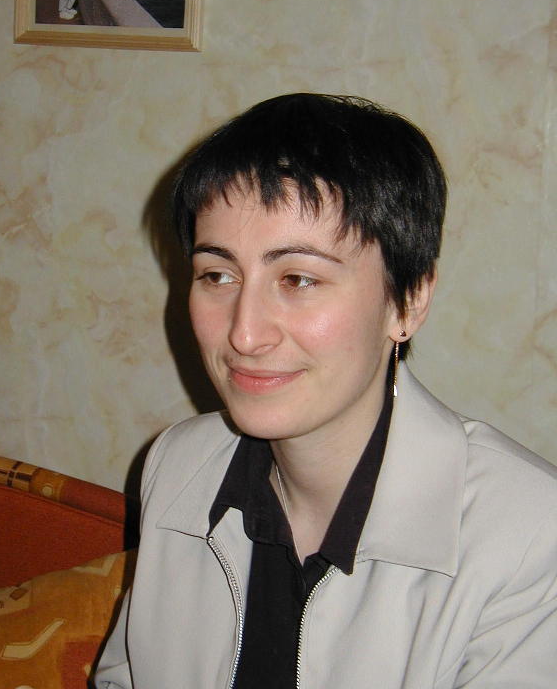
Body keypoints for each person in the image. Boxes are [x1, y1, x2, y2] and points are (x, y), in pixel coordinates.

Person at [95, 93, 557, 688]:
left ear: (408, 301)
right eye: (218, 274)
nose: (244, 333)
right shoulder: (180, 463)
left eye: (298, 279)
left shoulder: (530, 536)